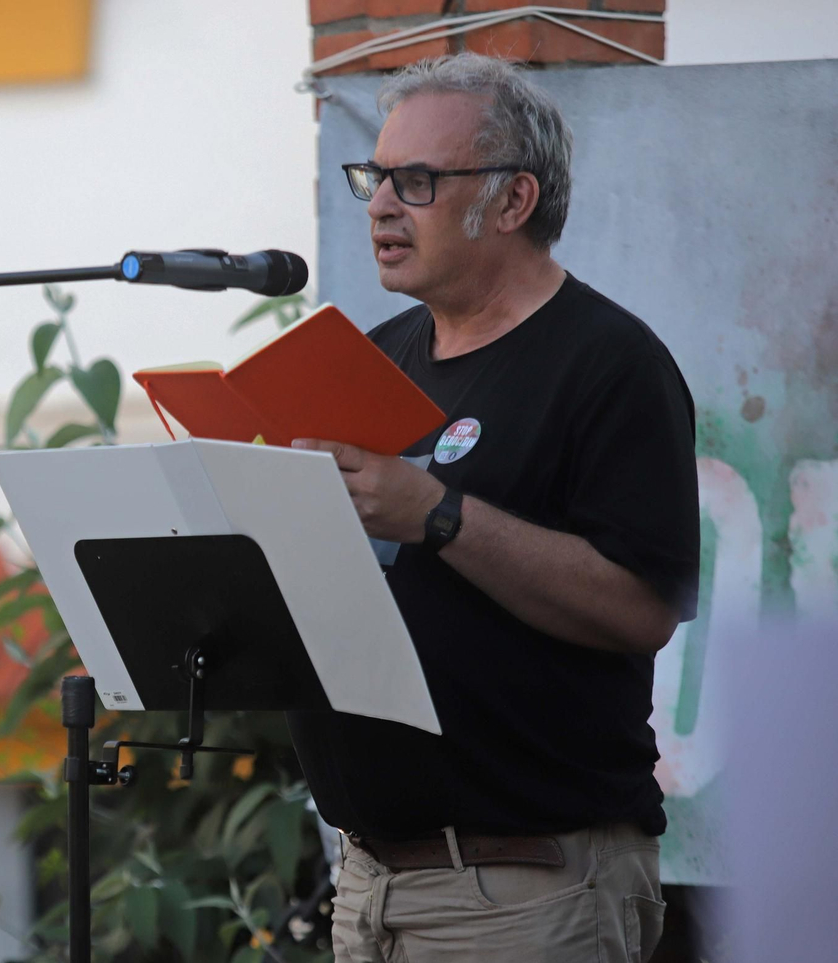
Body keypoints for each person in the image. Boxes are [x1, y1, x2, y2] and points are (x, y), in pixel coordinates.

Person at [286, 53, 699, 963]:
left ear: (513, 200)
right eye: (374, 177)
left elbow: (644, 607)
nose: (380, 205)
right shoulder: (375, 357)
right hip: (368, 881)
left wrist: (440, 515)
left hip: (524, 889)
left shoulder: (610, 363)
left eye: (417, 181)